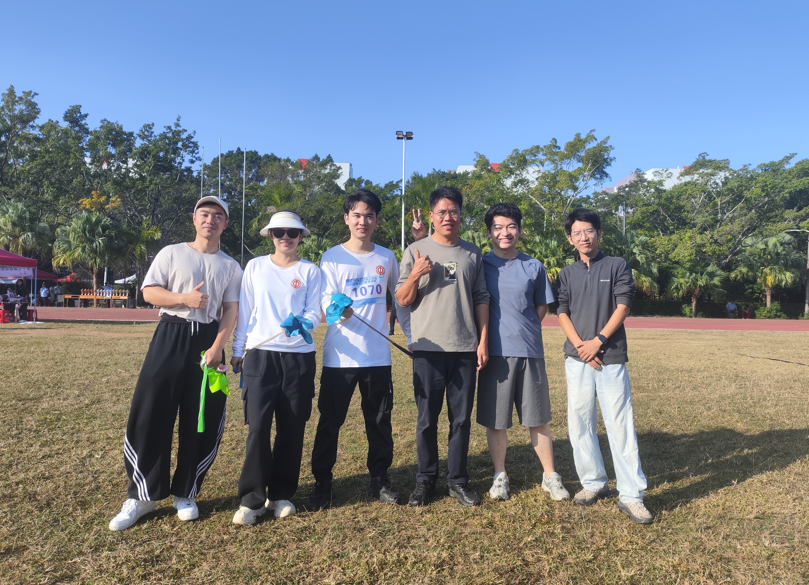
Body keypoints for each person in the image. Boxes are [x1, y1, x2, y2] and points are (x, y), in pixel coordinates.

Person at [109, 196, 242, 531]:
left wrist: (217, 347)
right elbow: (150, 292)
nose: (210, 220)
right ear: (193, 219)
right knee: (151, 411)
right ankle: (142, 494)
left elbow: (231, 310)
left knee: (201, 417)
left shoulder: (230, 266)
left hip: (208, 340)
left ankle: (186, 491)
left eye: (218, 216)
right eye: (204, 214)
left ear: (226, 224)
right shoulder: (172, 253)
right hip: (171, 333)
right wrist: (184, 299)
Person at [306, 190, 411, 511]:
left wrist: (411, 335)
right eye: (356, 215)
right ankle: (322, 483)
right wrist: (338, 307)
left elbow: (400, 299)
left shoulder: (386, 257)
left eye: (369, 215)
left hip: (377, 357)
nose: (362, 221)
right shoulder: (331, 257)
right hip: (340, 357)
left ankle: (380, 478)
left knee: (379, 422)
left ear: (376, 220)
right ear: (346, 218)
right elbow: (325, 298)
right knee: (330, 422)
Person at [556, 208, 652, 524]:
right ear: (570, 239)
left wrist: (598, 341)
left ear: (598, 234)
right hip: (577, 358)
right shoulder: (566, 273)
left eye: (589, 231)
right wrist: (582, 347)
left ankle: (631, 495)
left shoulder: (617, 265)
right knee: (580, 422)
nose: (584, 237)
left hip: (609, 356)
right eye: (577, 233)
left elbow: (623, 305)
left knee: (619, 424)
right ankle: (593, 482)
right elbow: (562, 311)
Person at [396, 186, 490, 508]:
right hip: (428, 348)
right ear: (432, 216)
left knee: (460, 419)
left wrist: (482, 341)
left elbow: (481, 297)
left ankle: (458, 480)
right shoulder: (416, 251)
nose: (448, 217)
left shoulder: (472, 253)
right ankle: (425, 480)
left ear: (460, 215)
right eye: (442, 212)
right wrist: (416, 274)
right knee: (426, 419)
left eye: (454, 211)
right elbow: (402, 299)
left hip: (464, 347)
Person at [230, 211, 322, 526]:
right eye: (279, 232)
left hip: (298, 357)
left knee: (292, 427)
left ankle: (281, 495)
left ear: (301, 237)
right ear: (270, 235)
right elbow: (245, 311)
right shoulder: (255, 267)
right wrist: (238, 350)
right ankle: (251, 500)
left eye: (292, 233)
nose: (286, 237)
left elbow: (315, 311)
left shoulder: (310, 271)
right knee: (257, 427)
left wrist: (303, 322)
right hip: (260, 355)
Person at [477, 203, 570, 503]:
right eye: (498, 227)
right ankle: (500, 475)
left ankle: (550, 475)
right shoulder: (481, 265)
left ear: (519, 229)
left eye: (511, 226)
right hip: (494, 354)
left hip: (530, 351)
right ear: (489, 232)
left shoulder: (534, 266)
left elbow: (541, 307)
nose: (504, 232)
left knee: (537, 418)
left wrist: (523, 329)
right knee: (496, 420)